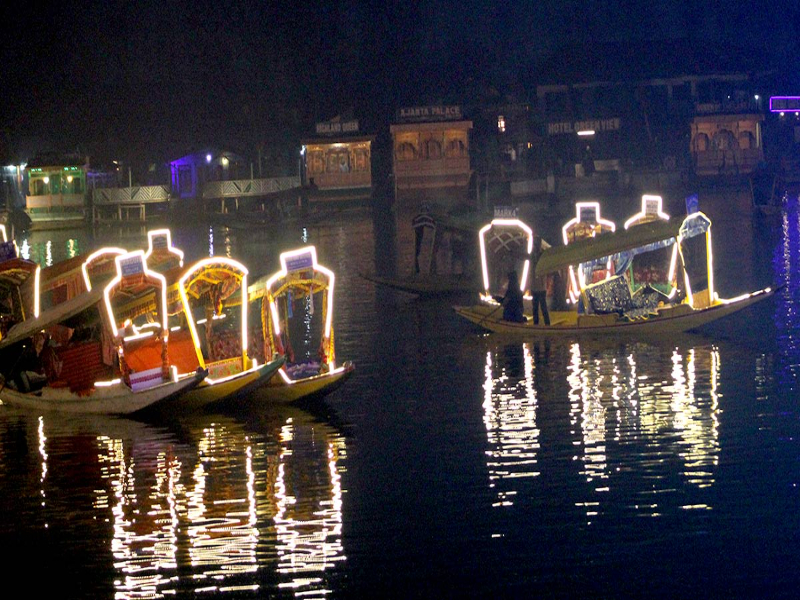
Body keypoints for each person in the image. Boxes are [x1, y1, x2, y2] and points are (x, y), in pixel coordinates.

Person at [530, 236, 551, 325]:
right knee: (536, 308)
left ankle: (546, 324)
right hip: (535, 287)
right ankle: (537, 324)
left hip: (540, 287)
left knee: (542, 307)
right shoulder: (534, 255)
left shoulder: (542, 255)